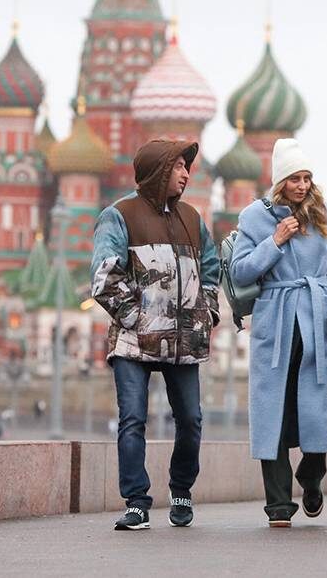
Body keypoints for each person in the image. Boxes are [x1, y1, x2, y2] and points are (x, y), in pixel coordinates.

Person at [91, 138, 221, 532]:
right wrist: (136, 318)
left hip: (185, 341)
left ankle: (181, 491)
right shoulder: (119, 216)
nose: (186, 174)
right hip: (134, 342)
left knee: (191, 420)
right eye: (180, 167)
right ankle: (136, 502)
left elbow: (212, 269)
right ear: (161, 171)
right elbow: (103, 275)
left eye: (187, 167)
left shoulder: (192, 219)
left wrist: (207, 311)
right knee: (132, 420)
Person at [231, 138, 327, 528]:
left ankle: (311, 476)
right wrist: (275, 240)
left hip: (317, 319)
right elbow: (241, 272)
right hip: (276, 320)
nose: (302, 185)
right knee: (273, 413)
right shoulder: (254, 217)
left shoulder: (324, 213)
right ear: (280, 180)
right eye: (294, 178)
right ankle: (278, 503)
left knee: (316, 408)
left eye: (307, 178)